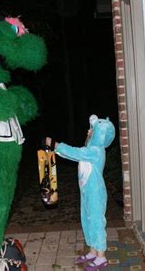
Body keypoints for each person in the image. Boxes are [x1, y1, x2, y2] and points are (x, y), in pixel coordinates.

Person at [46, 114, 115, 270]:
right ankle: (92, 251)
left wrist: (55, 144)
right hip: (86, 191)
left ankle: (101, 256)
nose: (88, 132)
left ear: (100, 134)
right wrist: (55, 150)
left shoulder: (96, 150)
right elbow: (73, 155)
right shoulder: (90, 149)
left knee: (96, 221)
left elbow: (75, 153)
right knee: (87, 219)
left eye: (92, 131)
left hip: (95, 193)